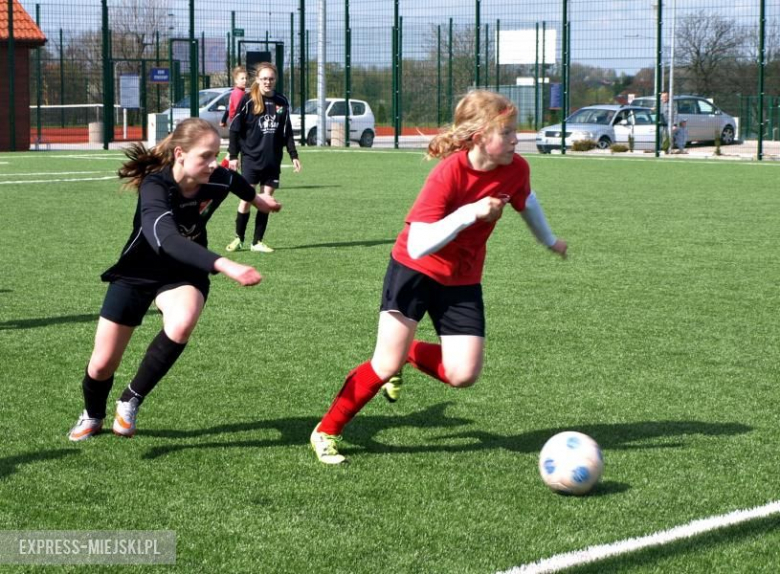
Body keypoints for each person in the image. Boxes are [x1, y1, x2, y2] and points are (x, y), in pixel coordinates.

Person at [309, 90, 568, 465]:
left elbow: (526, 201)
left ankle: (409, 353)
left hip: (462, 279)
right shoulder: (448, 174)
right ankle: (327, 431)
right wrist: (471, 212)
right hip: (413, 273)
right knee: (382, 364)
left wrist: (549, 240)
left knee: (463, 374)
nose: (517, 139)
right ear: (480, 136)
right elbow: (417, 245)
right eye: (508, 132)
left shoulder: (516, 168)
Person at [68, 118, 282, 441]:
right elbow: (165, 239)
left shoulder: (217, 178)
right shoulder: (156, 185)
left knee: (182, 323)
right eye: (206, 156)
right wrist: (225, 264)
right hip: (138, 270)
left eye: (217, 154)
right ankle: (93, 414)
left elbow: (235, 180)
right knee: (101, 366)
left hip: (185, 272)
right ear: (180, 154)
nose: (214, 164)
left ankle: (130, 399)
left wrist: (257, 199)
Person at [225, 62, 301, 253]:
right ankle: (239, 238)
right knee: (247, 199)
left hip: (272, 160)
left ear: (275, 80)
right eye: (264, 78)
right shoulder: (248, 100)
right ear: (257, 80)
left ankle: (257, 242)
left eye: (271, 78)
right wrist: (233, 156)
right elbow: (235, 129)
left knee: (266, 200)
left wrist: (293, 155)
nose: (268, 82)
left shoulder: (282, 102)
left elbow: (287, 131)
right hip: (250, 158)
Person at [218, 66, 248, 168]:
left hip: (236, 126)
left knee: (232, 152)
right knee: (236, 153)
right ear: (236, 80)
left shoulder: (237, 91)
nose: (245, 80)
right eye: (242, 78)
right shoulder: (238, 94)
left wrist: (223, 120)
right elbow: (239, 112)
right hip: (239, 128)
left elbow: (228, 108)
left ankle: (222, 171)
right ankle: (223, 172)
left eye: (246, 78)